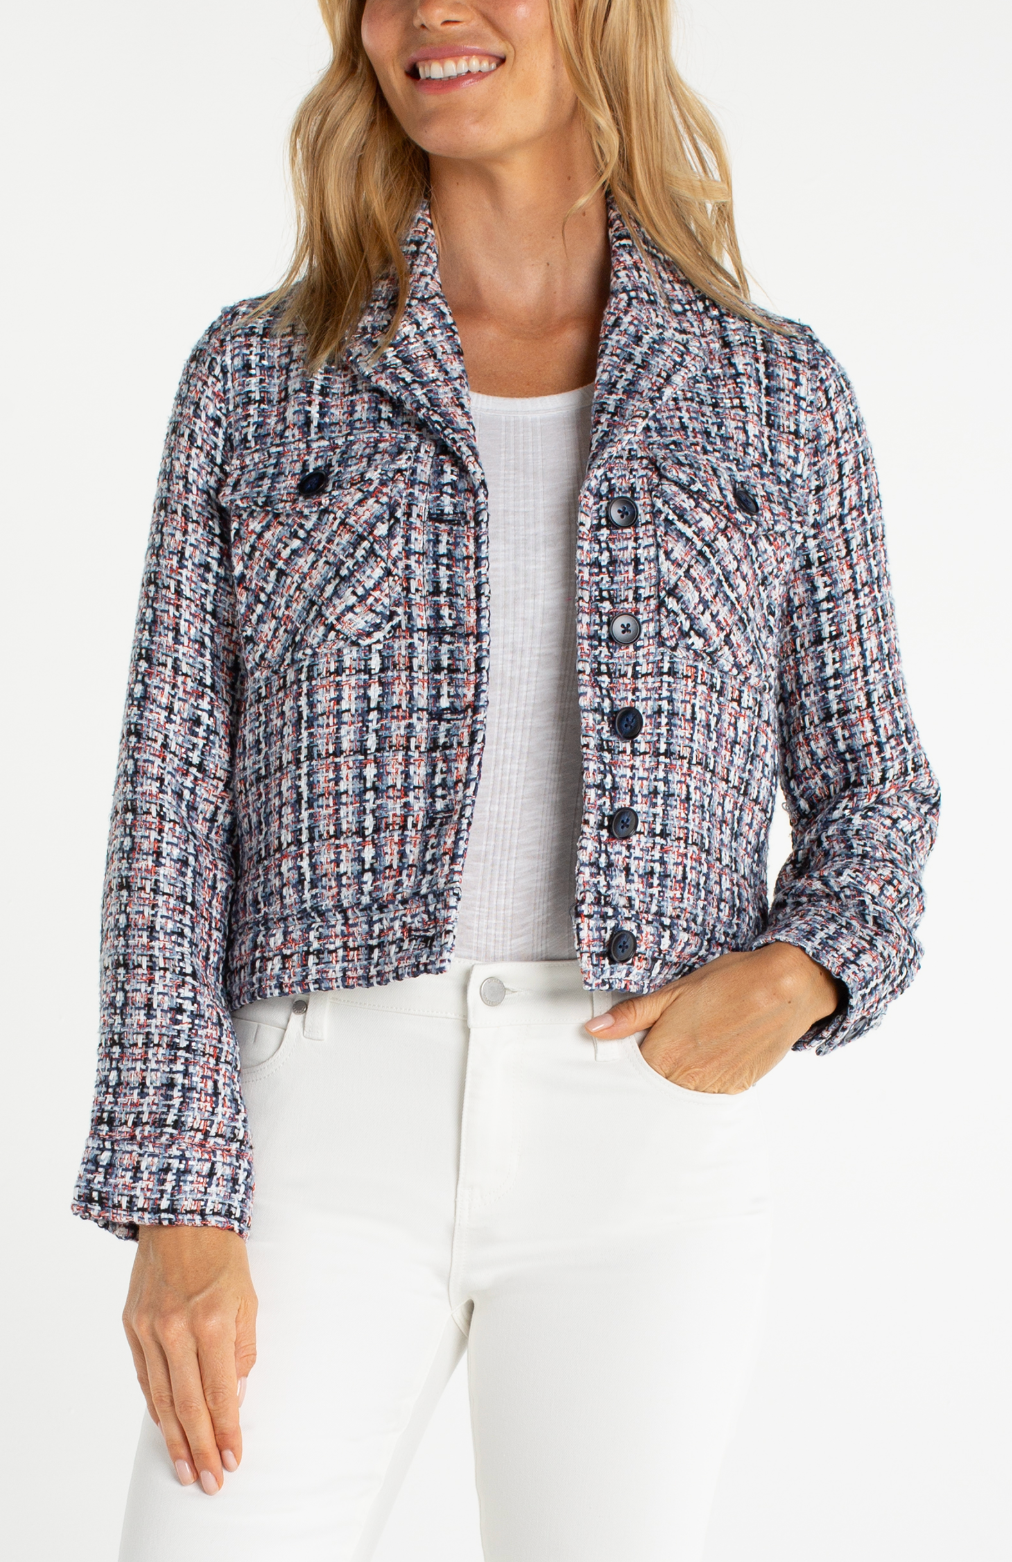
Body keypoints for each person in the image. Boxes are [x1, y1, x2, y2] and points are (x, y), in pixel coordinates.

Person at [73, 1, 940, 1558]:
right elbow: (170, 810)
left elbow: (876, 787)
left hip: (641, 1138)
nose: (430, 13)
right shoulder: (261, 377)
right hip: (314, 1128)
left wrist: (801, 972)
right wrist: (175, 1191)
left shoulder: (776, 394)